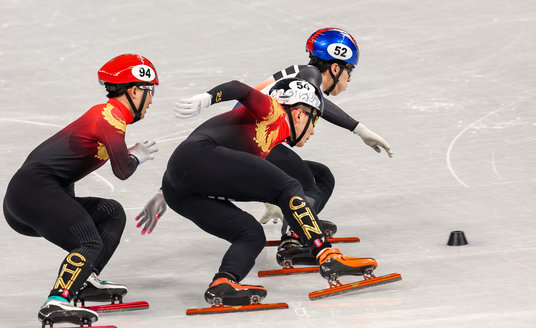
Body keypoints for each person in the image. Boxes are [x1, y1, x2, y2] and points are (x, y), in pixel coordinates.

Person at [137, 77, 377, 306]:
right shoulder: (274, 112)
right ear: (299, 113)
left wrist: (163, 192)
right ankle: (327, 256)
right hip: (197, 160)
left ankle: (224, 282)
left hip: (178, 189)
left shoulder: (269, 138)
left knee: (251, 233)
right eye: (314, 121)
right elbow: (239, 88)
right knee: (289, 186)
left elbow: (200, 156)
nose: (313, 130)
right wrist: (208, 98)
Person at [173, 28, 393, 266]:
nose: (349, 78)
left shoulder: (300, 75)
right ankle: (295, 238)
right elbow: (316, 102)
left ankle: (300, 224)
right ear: (336, 67)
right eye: (349, 70)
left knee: (321, 176)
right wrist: (359, 129)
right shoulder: (310, 75)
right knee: (306, 182)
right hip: (253, 144)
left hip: (243, 146)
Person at [3, 54, 159, 326]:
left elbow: (62, 169)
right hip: (32, 192)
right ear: (134, 90)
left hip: (33, 193)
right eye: (150, 91)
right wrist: (136, 156)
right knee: (89, 241)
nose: (152, 100)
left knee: (112, 213)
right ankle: (56, 301)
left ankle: (84, 279)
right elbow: (123, 171)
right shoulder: (110, 117)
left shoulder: (106, 116)